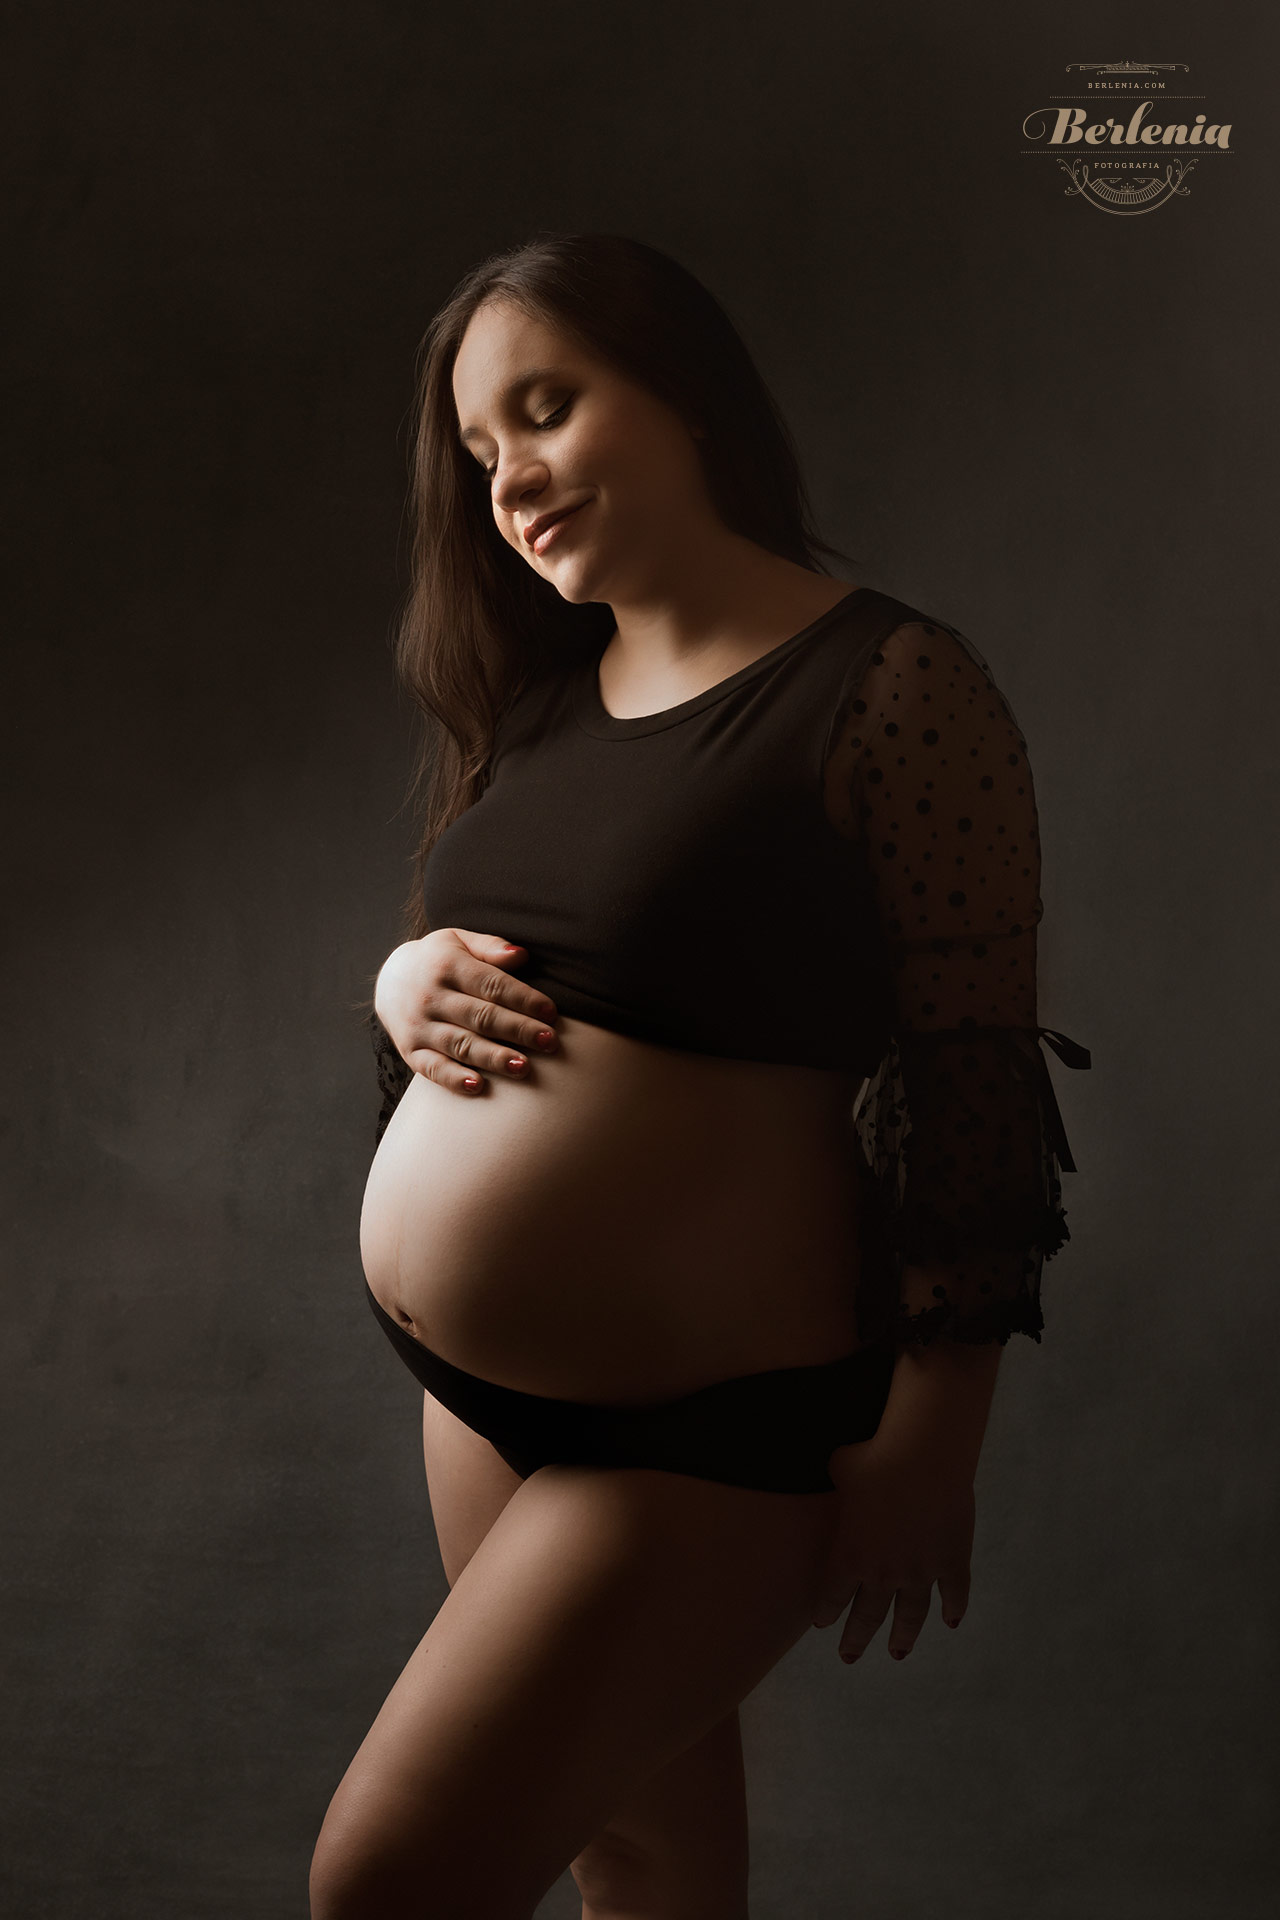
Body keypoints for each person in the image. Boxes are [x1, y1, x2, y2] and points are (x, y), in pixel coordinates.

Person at [309, 232, 1090, 1920]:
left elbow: (975, 1079)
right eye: (478, 449)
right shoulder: (537, 705)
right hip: (484, 1400)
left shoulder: (894, 687)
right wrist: (395, 980)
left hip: (714, 1427)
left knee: (387, 1880)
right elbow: (506, 989)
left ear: (688, 398)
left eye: (547, 408)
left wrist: (934, 1434)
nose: (509, 475)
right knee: (640, 1852)